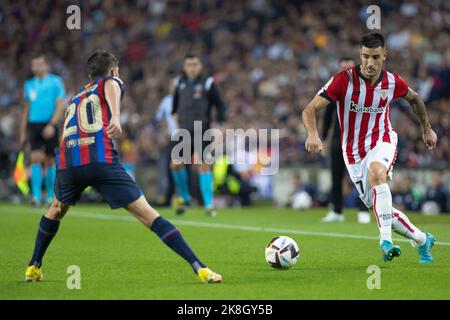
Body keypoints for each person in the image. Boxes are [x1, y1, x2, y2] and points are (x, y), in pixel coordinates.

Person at [24, 51, 222, 284]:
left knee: (56, 208)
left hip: (69, 163)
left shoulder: (75, 97)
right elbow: (112, 86)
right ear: (113, 70)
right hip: (100, 161)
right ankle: (200, 268)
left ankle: (33, 266)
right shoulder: (110, 80)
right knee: (149, 216)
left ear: (89, 73)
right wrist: (116, 117)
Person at [301, 33, 438, 264]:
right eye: (365, 56)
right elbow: (310, 109)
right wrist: (313, 134)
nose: (369, 63)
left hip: (381, 140)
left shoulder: (393, 82)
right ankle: (423, 239)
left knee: (377, 173)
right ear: (360, 55)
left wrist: (427, 129)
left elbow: (415, 99)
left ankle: (385, 242)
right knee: (381, 208)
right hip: (353, 153)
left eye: (375, 57)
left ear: (384, 55)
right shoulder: (343, 80)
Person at [170, 54, 226, 216]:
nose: (192, 67)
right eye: (189, 64)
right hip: (183, 131)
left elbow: (220, 105)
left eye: (195, 64)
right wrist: (175, 114)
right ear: (184, 67)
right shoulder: (179, 82)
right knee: (175, 164)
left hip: (202, 130)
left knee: (203, 164)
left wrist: (219, 123)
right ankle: (185, 198)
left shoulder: (208, 82)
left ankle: (208, 204)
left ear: (200, 66)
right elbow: (175, 105)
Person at [321, 57, 371, 224]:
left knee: (361, 176)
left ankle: (363, 210)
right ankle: (337, 210)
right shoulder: (334, 87)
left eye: (348, 67)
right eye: (342, 68)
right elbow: (327, 115)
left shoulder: (363, 89)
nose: (345, 71)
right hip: (338, 140)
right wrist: (322, 138)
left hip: (359, 140)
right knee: (336, 176)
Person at [21, 54, 66, 207]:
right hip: (34, 125)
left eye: (39, 64)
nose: (36, 67)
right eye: (34, 65)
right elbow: (26, 109)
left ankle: (50, 197)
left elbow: (60, 105)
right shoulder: (29, 84)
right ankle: (35, 196)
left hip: (50, 124)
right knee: (35, 159)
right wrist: (23, 131)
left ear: (46, 66)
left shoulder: (56, 82)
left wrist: (52, 125)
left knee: (50, 161)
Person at [155, 81, 177, 206]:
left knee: (183, 168)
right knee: (171, 169)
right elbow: (161, 118)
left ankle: (185, 197)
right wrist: (164, 132)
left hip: (184, 137)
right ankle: (169, 197)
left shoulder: (185, 99)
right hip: (172, 138)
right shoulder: (166, 101)